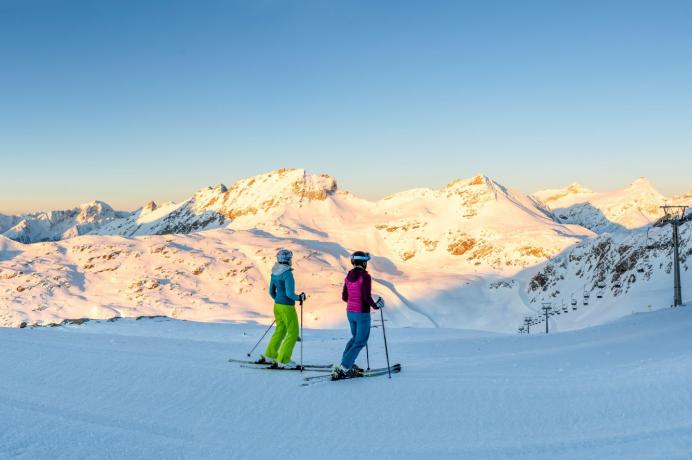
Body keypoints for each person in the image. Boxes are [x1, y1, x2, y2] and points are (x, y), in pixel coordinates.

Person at [332, 251, 384, 379]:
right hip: (362, 314)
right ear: (364, 263)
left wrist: (353, 302)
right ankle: (345, 367)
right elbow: (366, 297)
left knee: (355, 338)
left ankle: (347, 362)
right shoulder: (365, 277)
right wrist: (376, 305)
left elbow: (345, 297)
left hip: (350, 312)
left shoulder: (349, 275)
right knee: (360, 341)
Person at [255, 248, 306, 369]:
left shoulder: (274, 272)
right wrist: (300, 297)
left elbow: (271, 291)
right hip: (287, 306)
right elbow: (290, 294)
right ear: (288, 260)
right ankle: (283, 359)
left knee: (280, 330)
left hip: (277, 306)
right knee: (293, 333)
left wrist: (278, 301)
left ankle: (270, 355)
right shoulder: (287, 274)